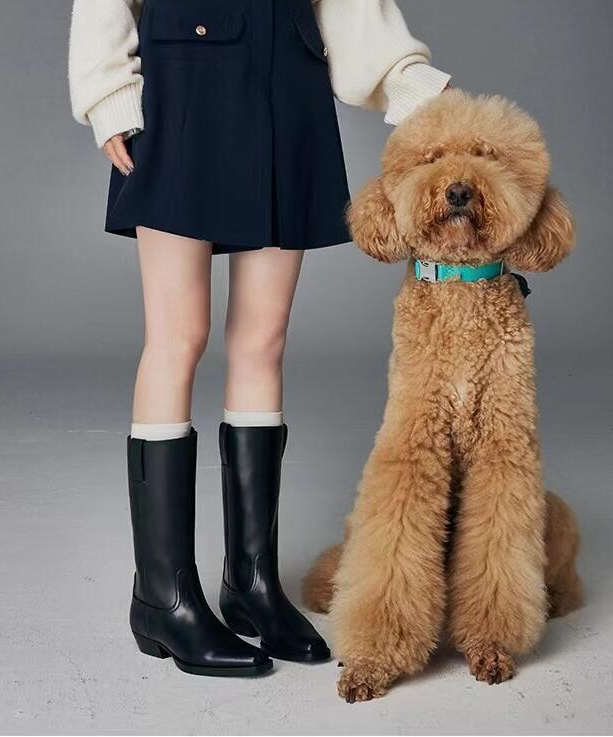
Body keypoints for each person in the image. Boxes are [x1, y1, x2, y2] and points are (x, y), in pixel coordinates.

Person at [68, 0, 450, 678]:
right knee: (178, 334)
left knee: (263, 339)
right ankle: (162, 596)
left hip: (286, 81)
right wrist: (107, 93)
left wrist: (408, 79)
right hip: (182, 81)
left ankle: (251, 583)